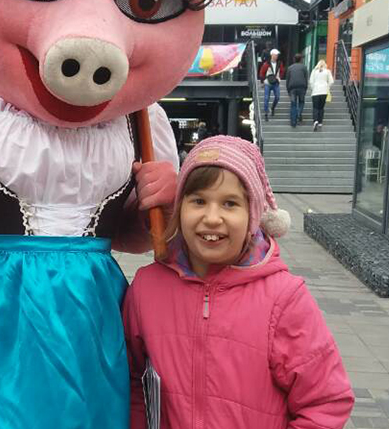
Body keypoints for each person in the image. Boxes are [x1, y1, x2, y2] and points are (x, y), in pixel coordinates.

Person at [123, 136, 355, 429]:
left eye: (230, 204)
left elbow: (325, 401)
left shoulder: (284, 298)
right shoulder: (147, 289)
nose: (212, 218)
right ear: (180, 208)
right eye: (198, 201)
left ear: (252, 216)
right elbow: (134, 382)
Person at [258, 48, 284, 121]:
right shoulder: (266, 64)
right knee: (266, 98)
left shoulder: (279, 63)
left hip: (276, 82)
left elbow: (282, 71)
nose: (276, 56)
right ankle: (266, 113)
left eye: (277, 55)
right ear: (272, 55)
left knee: (277, 97)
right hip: (268, 83)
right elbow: (262, 72)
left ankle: (272, 108)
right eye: (275, 55)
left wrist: (279, 77)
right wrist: (262, 81)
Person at [309, 59, 334, 131]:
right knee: (321, 107)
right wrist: (327, 87)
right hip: (324, 91)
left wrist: (313, 88)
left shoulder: (314, 71)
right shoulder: (327, 71)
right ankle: (320, 122)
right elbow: (331, 81)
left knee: (315, 107)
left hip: (315, 91)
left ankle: (315, 120)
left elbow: (311, 81)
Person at [286, 53, 309, 127]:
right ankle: (299, 113)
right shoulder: (304, 67)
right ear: (301, 60)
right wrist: (306, 87)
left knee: (293, 104)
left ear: (294, 59)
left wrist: (288, 90)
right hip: (302, 87)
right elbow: (306, 78)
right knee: (301, 102)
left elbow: (287, 79)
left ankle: (293, 122)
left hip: (292, 87)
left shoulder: (290, 68)